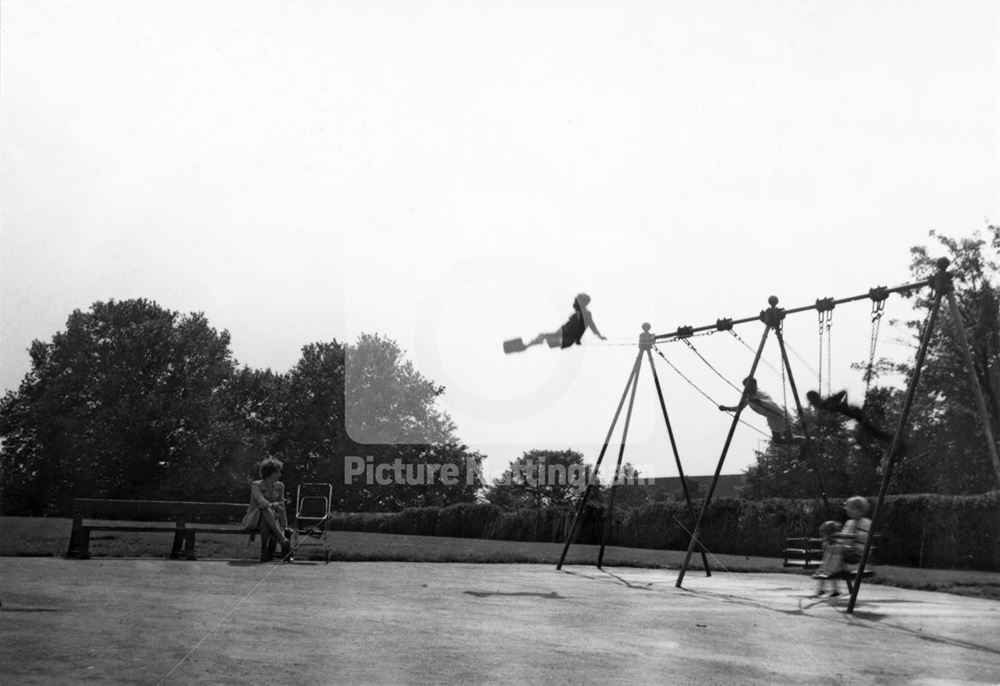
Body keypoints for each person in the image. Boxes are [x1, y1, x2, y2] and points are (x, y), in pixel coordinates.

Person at [813, 496, 872, 583]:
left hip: (860, 551)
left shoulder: (866, 523)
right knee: (831, 547)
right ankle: (824, 570)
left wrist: (848, 536)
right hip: (849, 549)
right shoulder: (850, 522)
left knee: (837, 549)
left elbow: (864, 536)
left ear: (859, 510)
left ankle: (833, 571)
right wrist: (836, 539)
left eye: (850, 509)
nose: (847, 511)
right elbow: (844, 539)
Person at [718, 377, 794, 442]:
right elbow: (739, 408)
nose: (749, 388)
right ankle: (803, 444)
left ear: (755, 385)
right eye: (747, 386)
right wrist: (727, 408)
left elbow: (769, 403)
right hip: (771, 418)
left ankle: (804, 443)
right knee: (777, 441)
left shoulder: (760, 393)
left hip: (779, 415)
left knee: (789, 439)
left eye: (751, 386)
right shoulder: (748, 397)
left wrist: (758, 401)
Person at [245, 457, 292, 562]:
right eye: (278, 472)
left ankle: (264, 551)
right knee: (264, 509)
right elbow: (260, 499)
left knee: (265, 518)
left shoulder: (280, 486)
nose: (280, 474)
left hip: (272, 520)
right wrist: (271, 505)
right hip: (254, 519)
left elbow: (281, 506)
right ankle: (281, 538)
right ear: (270, 473)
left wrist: (284, 525)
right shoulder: (256, 485)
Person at [525, 293, 607, 350]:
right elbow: (588, 327)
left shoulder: (584, 315)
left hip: (566, 340)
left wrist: (599, 336)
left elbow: (590, 327)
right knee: (542, 336)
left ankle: (526, 346)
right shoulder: (582, 314)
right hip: (565, 338)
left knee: (542, 336)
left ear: (581, 303)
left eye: (576, 301)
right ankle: (527, 345)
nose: (574, 303)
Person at [812, 520, 845, 597]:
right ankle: (834, 590)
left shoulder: (834, 544)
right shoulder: (833, 543)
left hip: (833, 567)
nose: (823, 535)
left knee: (824, 572)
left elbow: (831, 554)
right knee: (824, 571)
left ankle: (821, 590)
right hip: (832, 566)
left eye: (824, 533)